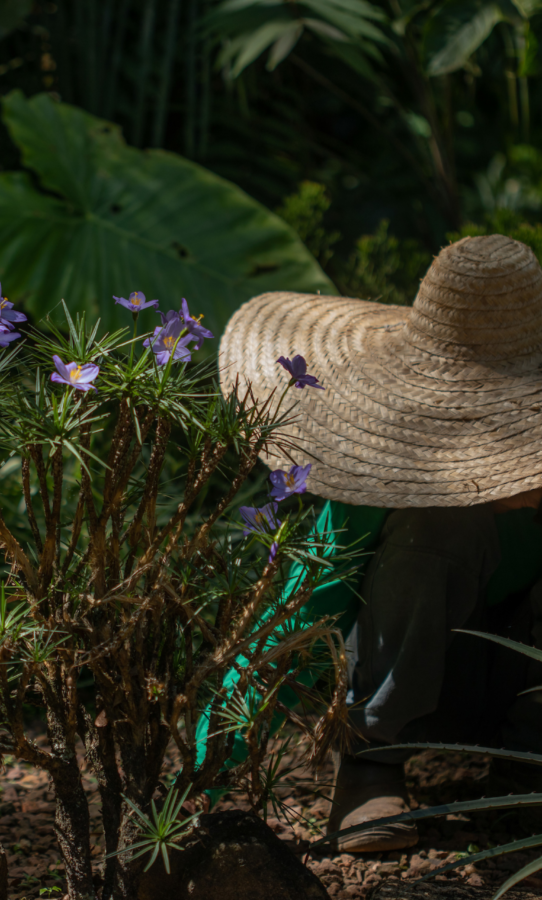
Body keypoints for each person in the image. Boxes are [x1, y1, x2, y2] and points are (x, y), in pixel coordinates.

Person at [218, 234, 542, 852]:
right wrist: (198, 775)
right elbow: (300, 607)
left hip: (518, 684)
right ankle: (372, 766)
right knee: (439, 526)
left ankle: (529, 767)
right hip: (418, 679)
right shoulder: (390, 483)